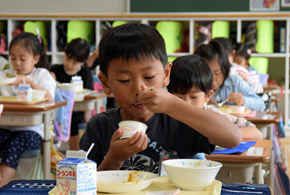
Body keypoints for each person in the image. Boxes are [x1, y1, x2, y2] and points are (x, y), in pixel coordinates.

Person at [79, 22, 241, 173]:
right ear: (106, 83)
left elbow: (233, 138)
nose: (138, 90)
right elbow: (84, 186)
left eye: (149, 77)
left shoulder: (182, 121)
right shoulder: (99, 126)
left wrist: (172, 104)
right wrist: (114, 159)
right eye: (124, 80)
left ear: (166, 74)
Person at [0, 32, 55, 189]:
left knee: (15, 144)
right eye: (13, 58)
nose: (17, 63)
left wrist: (28, 82)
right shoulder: (7, 75)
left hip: (33, 131)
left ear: (36, 59)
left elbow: (49, 98)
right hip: (8, 127)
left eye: (23, 58)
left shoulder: (41, 74)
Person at [167, 54, 263, 141]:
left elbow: (257, 134)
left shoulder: (213, 117)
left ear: (207, 96)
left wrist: (222, 135)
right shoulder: (164, 117)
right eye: (179, 97)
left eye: (194, 97)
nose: (186, 104)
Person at [194, 40, 265, 111]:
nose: (213, 79)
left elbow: (261, 105)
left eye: (217, 73)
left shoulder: (235, 82)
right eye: (206, 74)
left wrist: (243, 101)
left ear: (225, 69)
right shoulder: (193, 86)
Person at [51, 38, 93, 151]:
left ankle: (74, 152)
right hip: (58, 109)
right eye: (67, 59)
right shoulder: (55, 70)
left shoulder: (85, 74)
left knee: (73, 120)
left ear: (82, 62)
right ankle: (53, 152)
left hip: (77, 110)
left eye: (74, 63)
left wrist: (86, 113)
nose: (69, 64)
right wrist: (49, 78)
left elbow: (89, 95)